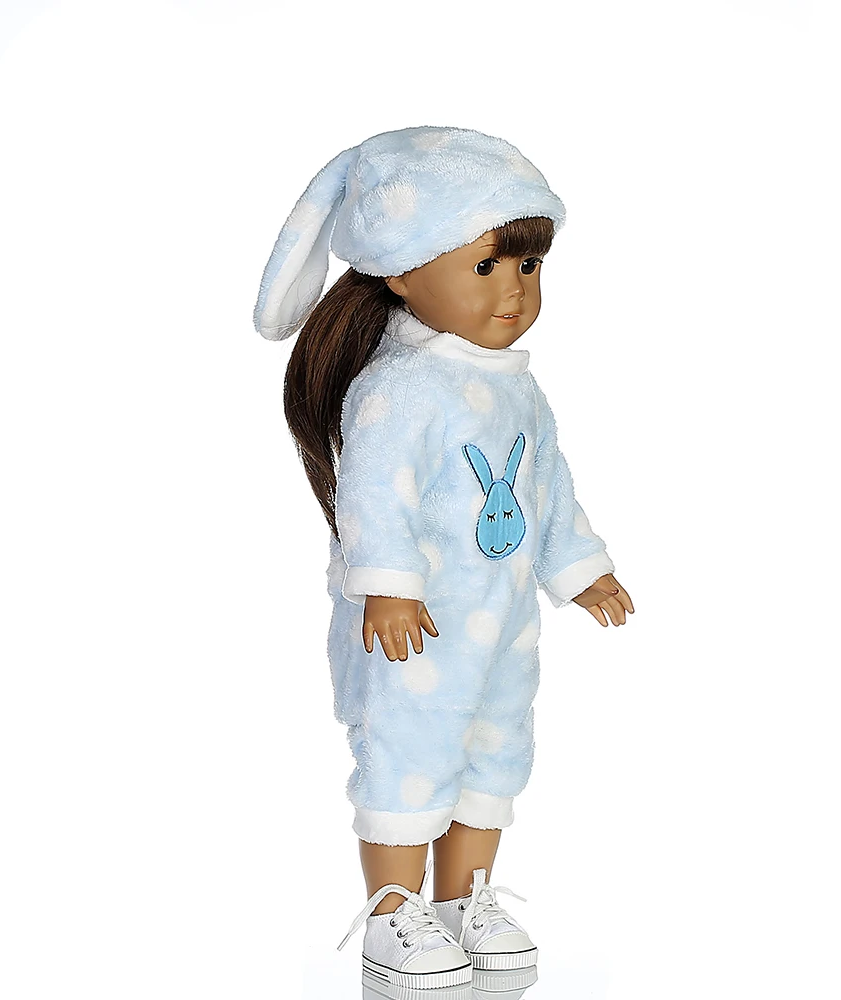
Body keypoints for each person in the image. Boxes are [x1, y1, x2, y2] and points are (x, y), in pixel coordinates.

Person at [254, 126, 634, 991]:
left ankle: (466, 903)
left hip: (502, 620)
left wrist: (580, 567)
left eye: (528, 266)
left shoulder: (519, 388)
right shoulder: (399, 387)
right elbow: (373, 493)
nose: (514, 292)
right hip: (415, 628)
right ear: (401, 270)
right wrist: (388, 586)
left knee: (494, 750)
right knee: (408, 752)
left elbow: (548, 486)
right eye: (485, 266)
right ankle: (393, 915)